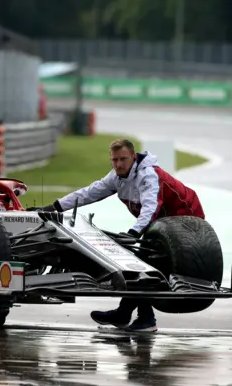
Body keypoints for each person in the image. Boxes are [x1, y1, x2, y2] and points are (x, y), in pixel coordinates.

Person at [30, 139, 205, 332]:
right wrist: (53, 207)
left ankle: (137, 317)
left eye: (123, 159)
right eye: (114, 160)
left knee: (143, 263)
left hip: (187, 220)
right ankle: (133, 316)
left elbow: (150, 207)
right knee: (140, 263)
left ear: (133, 157)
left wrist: (133, 233)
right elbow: (89, 193)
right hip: (161, 222)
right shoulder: (116, 177)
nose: (119, 164)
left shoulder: (148, 175)